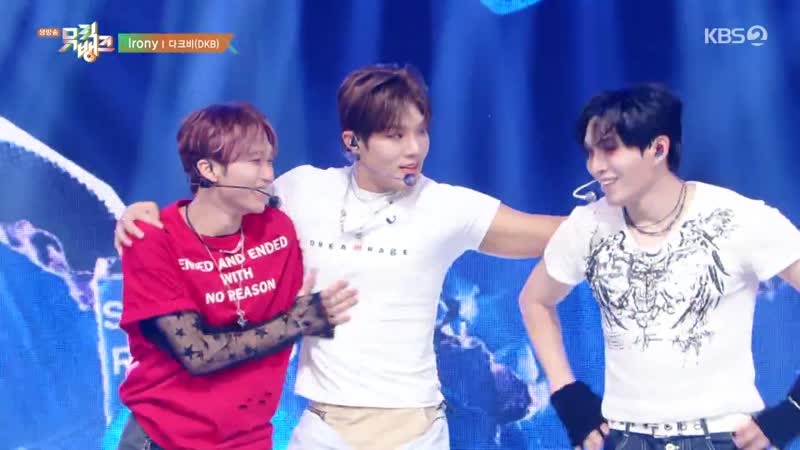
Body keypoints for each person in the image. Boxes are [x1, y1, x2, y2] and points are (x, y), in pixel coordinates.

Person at [114, 64, 564, 450]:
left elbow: (555, 234)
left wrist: (610, 208)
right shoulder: (301, 190)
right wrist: (142, 214)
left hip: (416, 429)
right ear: (353, 141)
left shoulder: (449, 207)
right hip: (322, 430)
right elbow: (217, 205)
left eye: (421, 131)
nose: (414, 148)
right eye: (395, 135)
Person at [517, 83, 800, 450]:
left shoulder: (739, 218)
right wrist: (566, 394)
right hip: (625, 438)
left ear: (658, 148)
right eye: (589, 152)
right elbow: (535, 301)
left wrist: (794, 410)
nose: (595, 166)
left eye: (609, 148)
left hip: (722, 436)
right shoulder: (588, 226)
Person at [115, 102, 357, 450]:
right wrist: (296, 322)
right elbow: (197, 354)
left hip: (249, 439)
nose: (268, 175)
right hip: (164, 439)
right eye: (255, 161)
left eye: (270, 161)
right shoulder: (153, 238)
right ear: (209, 169)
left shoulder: (279, 227)